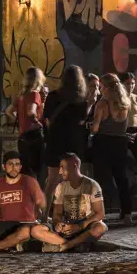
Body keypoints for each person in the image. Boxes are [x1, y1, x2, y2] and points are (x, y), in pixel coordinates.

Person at [0, 152, 46, 251]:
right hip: (3, 224)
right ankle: (0, 243)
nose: (14, 167)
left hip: (24, 223)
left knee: (25, 232)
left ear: (20, 167)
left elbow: (42, 203)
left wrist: (39, 214)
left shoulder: (30, 181)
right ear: (3, 166)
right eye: (10, 164)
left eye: (17, 164)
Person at [41, 65, 89, 221]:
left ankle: (43, 216)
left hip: (55, 142)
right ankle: (72, 217)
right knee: (73, 182)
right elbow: (82, 120)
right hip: (73, 144)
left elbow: (46, 118)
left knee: (52, 181)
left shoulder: (53, 96)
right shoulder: (81, 100)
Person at [40, 153, 109, 252]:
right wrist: (58, 223)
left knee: (100, 227)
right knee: (36, 230)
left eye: (63, 168)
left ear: (74, 167)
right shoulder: (61, 187)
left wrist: (79, 226)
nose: (60, 172)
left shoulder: (92, 185)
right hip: (67, 228)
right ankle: (76, 244)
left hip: (85, 227)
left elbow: (100, 214)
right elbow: (57, 214)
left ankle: (67, 245)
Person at [90, 74, 134, 226]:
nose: (100, 89)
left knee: (101, 179)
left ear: (106, 87)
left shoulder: (102, 104)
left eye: (101, 86)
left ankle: (101, 212)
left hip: (103, 143)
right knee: (122, 178)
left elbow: (95, 128)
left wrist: (88, 126)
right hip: (121, 143)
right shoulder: (125, 103)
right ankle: (127, 213)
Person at [7, 67, 45, 178]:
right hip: (34, 137)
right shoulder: (35, 94)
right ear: (39, 80)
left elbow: (8, 111)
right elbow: (31, 112)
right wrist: (38, 123)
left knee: (25, 171)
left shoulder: (21, 96)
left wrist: (20, 121)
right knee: (37, 171)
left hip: (22, 137)